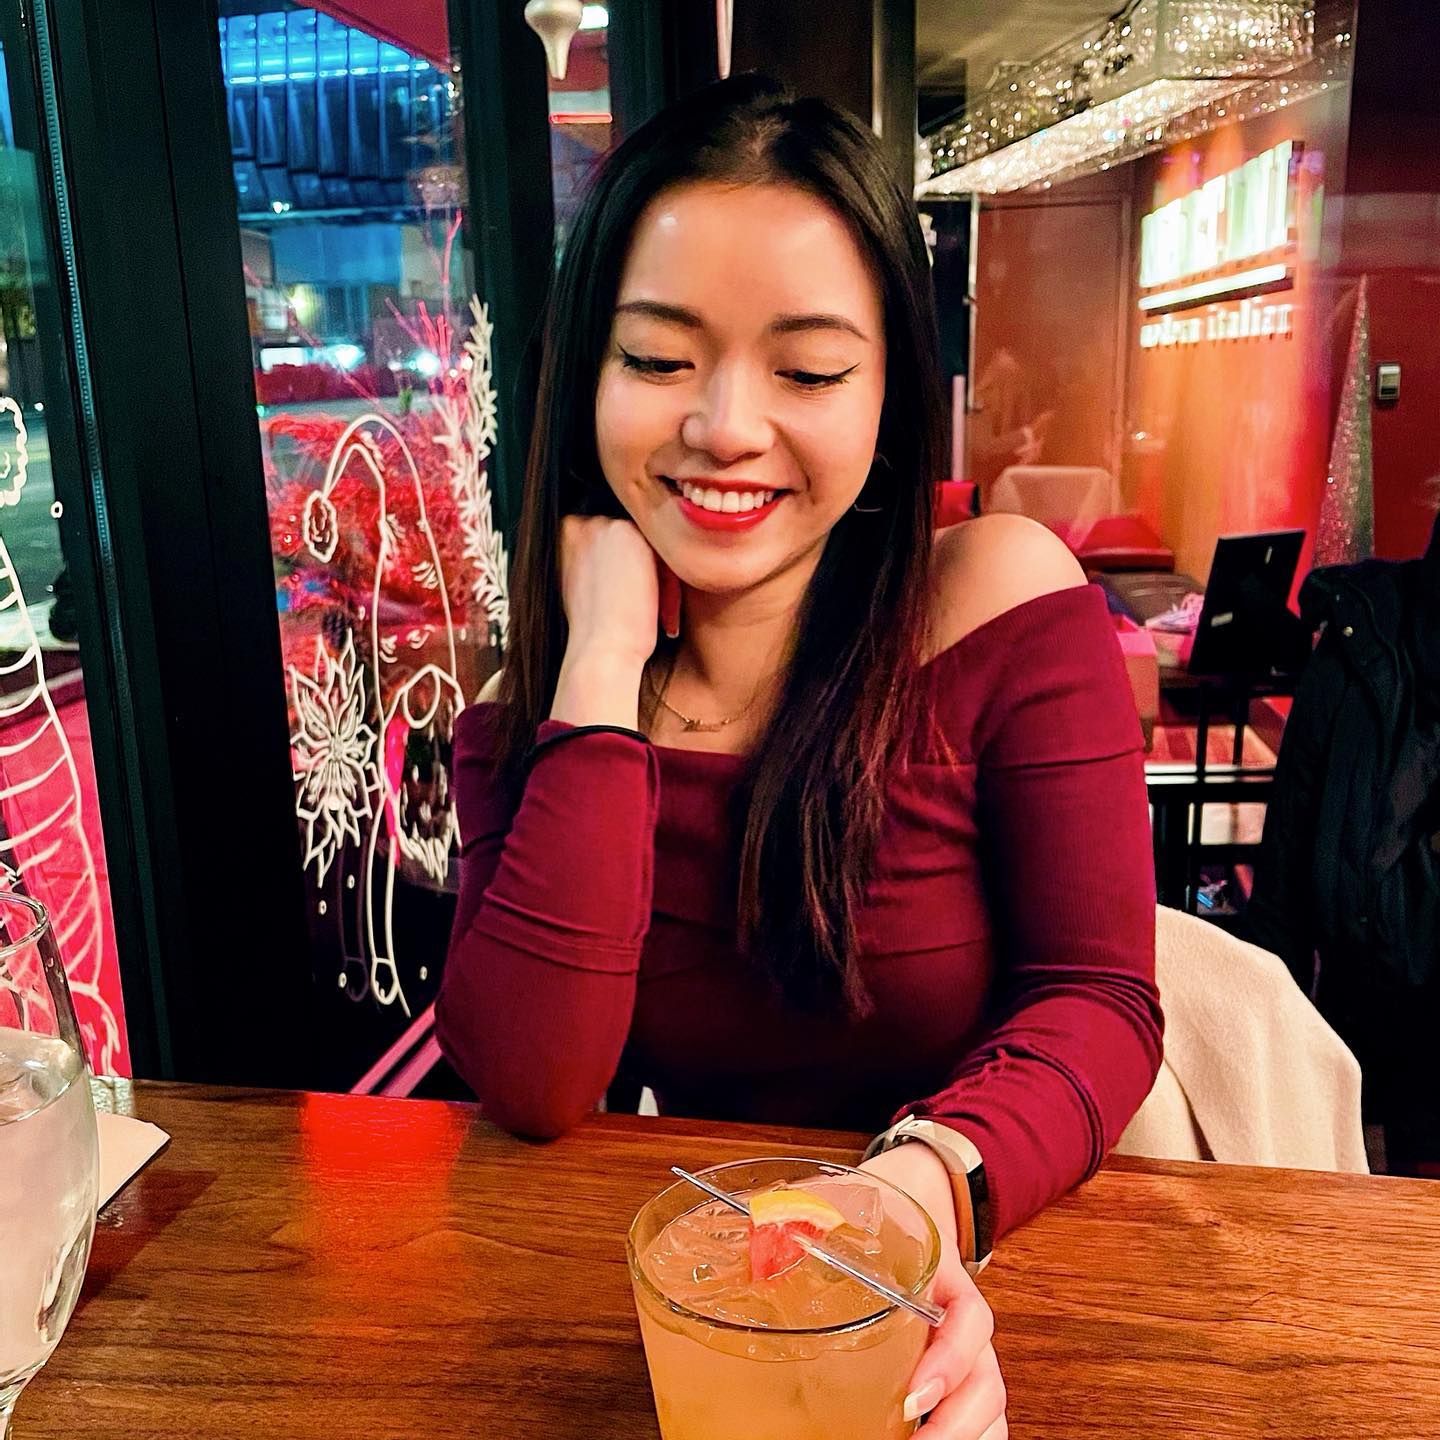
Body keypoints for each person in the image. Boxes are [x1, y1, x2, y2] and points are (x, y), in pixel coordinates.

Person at [437, 74, 1162, 1437]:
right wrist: (600, 665)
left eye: (810, 370)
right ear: (585, 375)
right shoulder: (536, 710)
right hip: (714, 1309)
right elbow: (533, 1084)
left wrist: (902, 1197)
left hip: (1002, 1230)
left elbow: (1099, 996)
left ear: (889, 393)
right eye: (658, 359)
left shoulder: (999, 600)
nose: (724, 425)